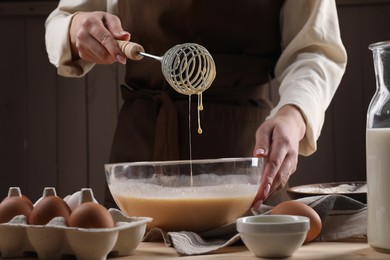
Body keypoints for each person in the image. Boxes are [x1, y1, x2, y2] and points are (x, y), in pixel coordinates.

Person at [45, 0, 347, 209]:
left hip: (246, 160)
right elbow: (61, 21)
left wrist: (294, 114)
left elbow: (315, 50)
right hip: (141, 153)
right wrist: (75, 28)